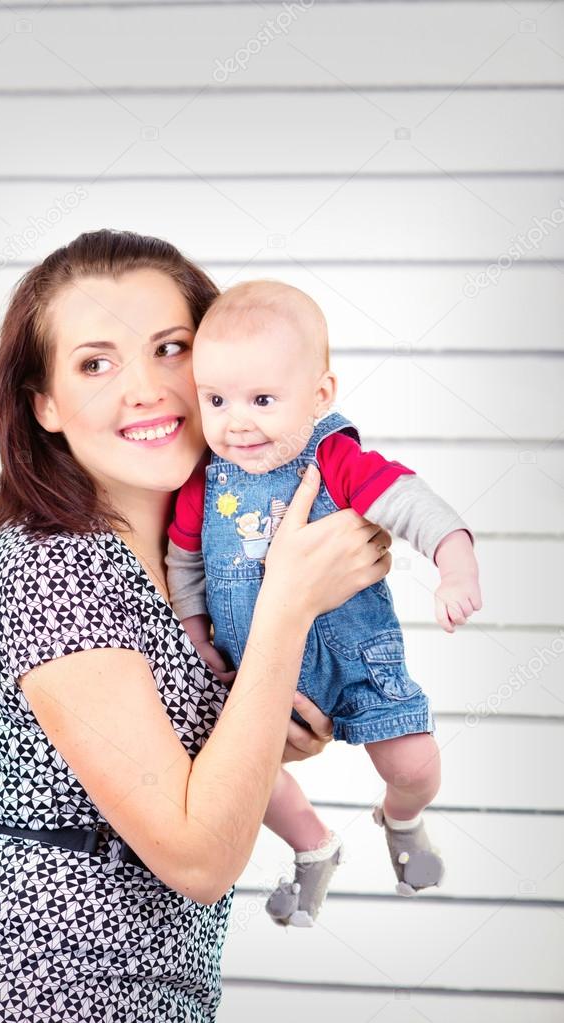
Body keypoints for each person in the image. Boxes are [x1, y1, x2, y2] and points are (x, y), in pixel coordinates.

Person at [0, 230, 394, 1023]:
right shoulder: (52, 561)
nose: (146, 388)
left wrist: (265, 712)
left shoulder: (200, 561)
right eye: (95, 363)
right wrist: (284, 610)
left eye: (170, 348)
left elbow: (195, 768)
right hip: (41, 995)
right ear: (46, 405)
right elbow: (198, 858)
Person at [165, 279, 483, 928]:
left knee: (414, 763)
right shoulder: (205, 480)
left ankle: (402, 816)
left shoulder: (333, 455)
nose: (236, 421)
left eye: (261, 398)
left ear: (319, 396)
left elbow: (409, 502)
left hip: (355, 658)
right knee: (241, 778)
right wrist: (195, 634)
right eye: (216, 399)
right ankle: (312, 845)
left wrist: (454, 565)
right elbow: (184, 563)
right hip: (254, 668)